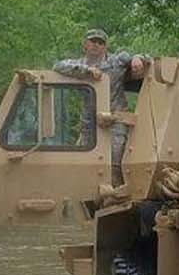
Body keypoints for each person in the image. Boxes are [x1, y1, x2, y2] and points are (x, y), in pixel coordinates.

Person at [53, 29, 151, 186]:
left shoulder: (116, 61)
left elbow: (147, 58)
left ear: (105, 47)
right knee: (83, 164)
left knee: (115, 160)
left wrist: (138, 58)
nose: (96, 45)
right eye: (93, 41)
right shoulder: (79, 64)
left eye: (101, 42)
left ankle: (115, 197)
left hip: (115, 121)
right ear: (85, 44)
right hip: (90, 124)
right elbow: (58, 66)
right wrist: (87, 71)